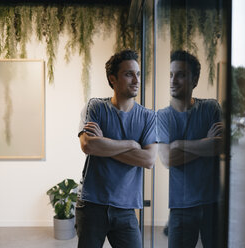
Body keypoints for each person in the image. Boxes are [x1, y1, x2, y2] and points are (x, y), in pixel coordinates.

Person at [76, 49, 157, 248]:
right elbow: (88, 145)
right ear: (113, 79)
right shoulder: (95, 107)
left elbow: (148, 160)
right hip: (92, 204)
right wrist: (131, 144)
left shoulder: (148, 117)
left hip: (126, 208)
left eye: (137, 74)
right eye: (129, 74)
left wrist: (105, 143)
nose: (136, 80)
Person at [157, 50, 223, 248]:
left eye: (181, 75)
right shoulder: (162, 116)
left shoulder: (211, 108)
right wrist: (206, 143)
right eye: (170, 74)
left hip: (212, 204)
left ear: (194, 80)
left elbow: (220, 145)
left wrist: (179, 145)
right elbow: (167, 159)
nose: (173, 80)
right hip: (180, 207)